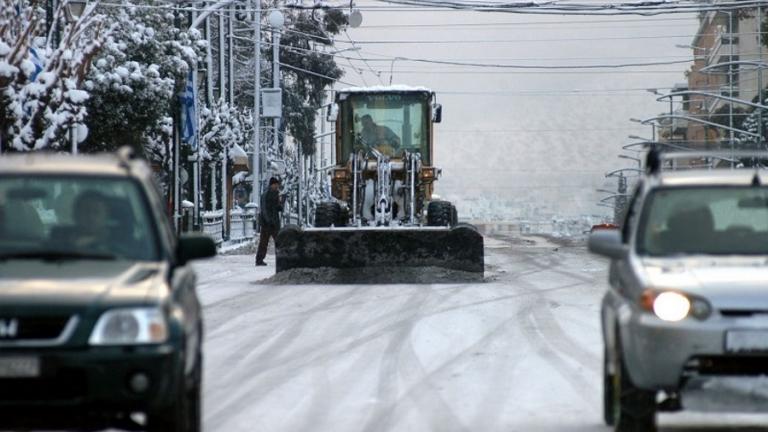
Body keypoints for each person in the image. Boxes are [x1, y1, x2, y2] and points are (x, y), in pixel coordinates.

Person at [255, 177, 283, 266]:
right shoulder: (265, 195)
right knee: (264, 242)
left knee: (279, 242)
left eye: (277, 185)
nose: (277, 186)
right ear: (272, 184)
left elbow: (278, 208)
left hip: (275, 223)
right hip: (266, 224)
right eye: (276, 184)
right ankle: (259, 260)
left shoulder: (277, 194)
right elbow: (264, 209)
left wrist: (281, 203)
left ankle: (281, 259)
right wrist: (268, 220)